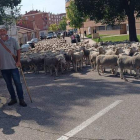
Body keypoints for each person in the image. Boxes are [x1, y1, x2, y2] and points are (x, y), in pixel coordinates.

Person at [0, 25, 27, 107]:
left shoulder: (13, 40)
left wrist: (18, 61)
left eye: (3, 30)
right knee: (9, 84)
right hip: (3, 67)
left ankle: (21, 99)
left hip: (14, 66)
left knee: (18, 83)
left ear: (6, 31)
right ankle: (13, 98)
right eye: (0, 31)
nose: (2, 32)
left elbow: (18, 50)